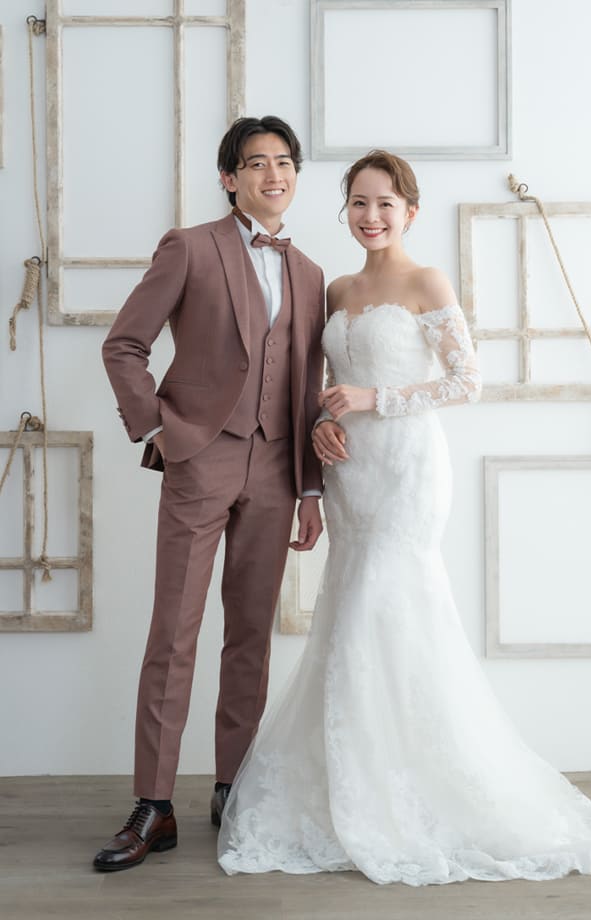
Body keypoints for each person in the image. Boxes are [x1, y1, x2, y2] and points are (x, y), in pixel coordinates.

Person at [216, 150, 591, 885]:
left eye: (385, 204)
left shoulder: (427, 282)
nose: (371, 217)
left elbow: (468, 382)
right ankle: (352, 777)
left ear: (410, 212)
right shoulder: (336, 289)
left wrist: (376, 400)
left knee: (391, 606)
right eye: (359, 204)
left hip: (407, 471)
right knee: (350, 614)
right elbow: (323, 387)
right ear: (347, 211)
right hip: (350, 474)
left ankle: (412, 790)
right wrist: (321, 426)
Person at [94, 116, 325, 872]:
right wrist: (157, 431)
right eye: (256, 163)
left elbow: (306, 386)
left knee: (251, 637)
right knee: (174, 634)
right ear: (229, 178)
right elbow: (124, 344)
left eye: (284, 162)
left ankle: (236, 790)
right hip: (199, 459)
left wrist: (310, 488)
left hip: (277, 470)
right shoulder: (190, 247)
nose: (273, 174)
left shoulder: (311, 273)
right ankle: (154, 804)